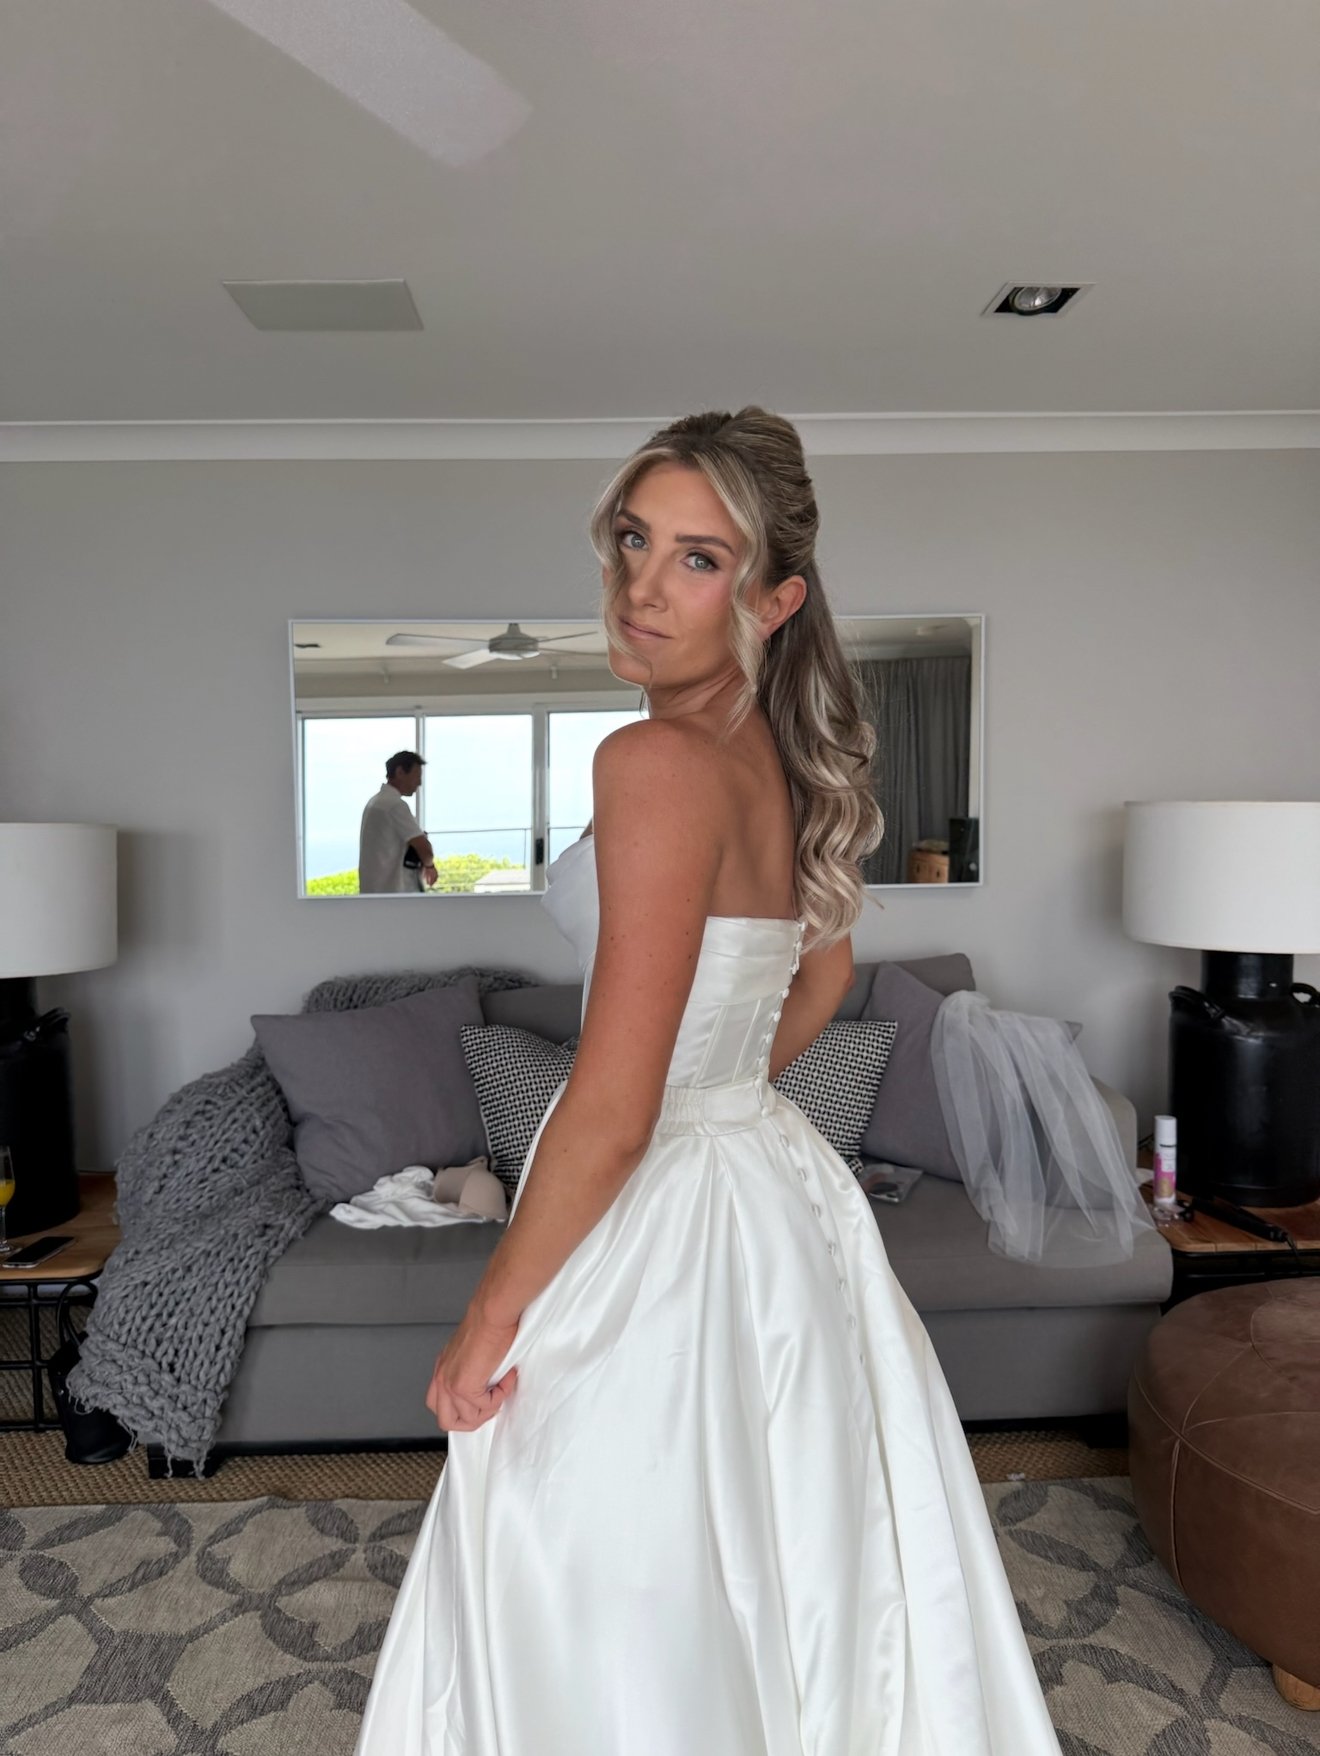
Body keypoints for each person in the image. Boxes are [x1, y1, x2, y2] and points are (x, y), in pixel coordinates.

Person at [355, 409, 1060, 1754]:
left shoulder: (654, 762)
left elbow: (618, 1108)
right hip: (769, 1184)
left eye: (698, 558)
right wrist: (723, 1091)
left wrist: (484, 1321)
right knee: (785, 1540)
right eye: (634, 539)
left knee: (598, 1560)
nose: (641, 586)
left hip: (664, 1206)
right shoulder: (776, 758)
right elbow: (820, 977)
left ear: (773, 598)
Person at [357, 751, 438, 893]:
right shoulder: (395, 805)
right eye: (417, 776)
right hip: (395, 892)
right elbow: (424, 849)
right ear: (400, 772)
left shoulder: (375, 802)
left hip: (374, 890)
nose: (419, 783)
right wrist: (430, 866)